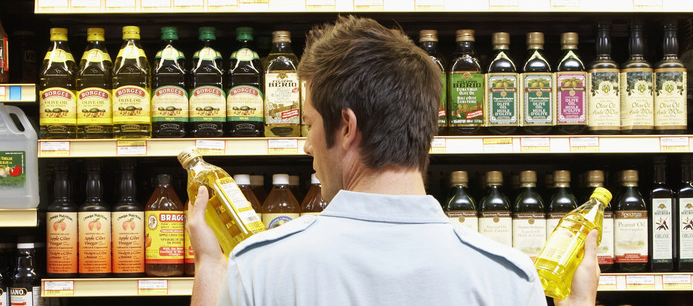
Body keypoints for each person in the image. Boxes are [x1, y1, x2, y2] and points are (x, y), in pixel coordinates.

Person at [187, 16, 600, 306]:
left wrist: (209, 265)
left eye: (310, 124)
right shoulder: (508, 278)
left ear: (346, 127)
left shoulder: (261, 267)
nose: (307, 145)